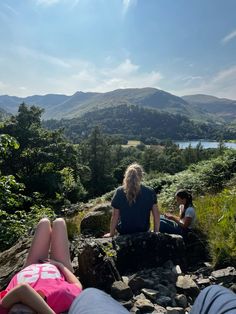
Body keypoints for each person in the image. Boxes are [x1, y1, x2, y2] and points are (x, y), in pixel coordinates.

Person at [0, 218, 82, 314]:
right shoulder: (60, 297)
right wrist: (59, 265)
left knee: (44, 222)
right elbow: (77, 286)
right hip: (57, 267)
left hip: (31, 265)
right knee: (59, 222)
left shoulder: (4, 306)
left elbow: (22, 289)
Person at [67, 285, 236, 314]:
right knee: (214, 292)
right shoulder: (149, 194)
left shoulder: (119, 194)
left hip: (126, 229)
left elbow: (116, 216)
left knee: (89, 294)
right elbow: (155, 214)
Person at [104, 163, 160, 237]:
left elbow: (115, 215)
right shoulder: (150, 191)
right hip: (143, 230)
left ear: (126, 175)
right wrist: (156, 232)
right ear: (141, 175)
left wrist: (111, 234)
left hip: (124, 231)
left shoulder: (119, 191)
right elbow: (156, 215)